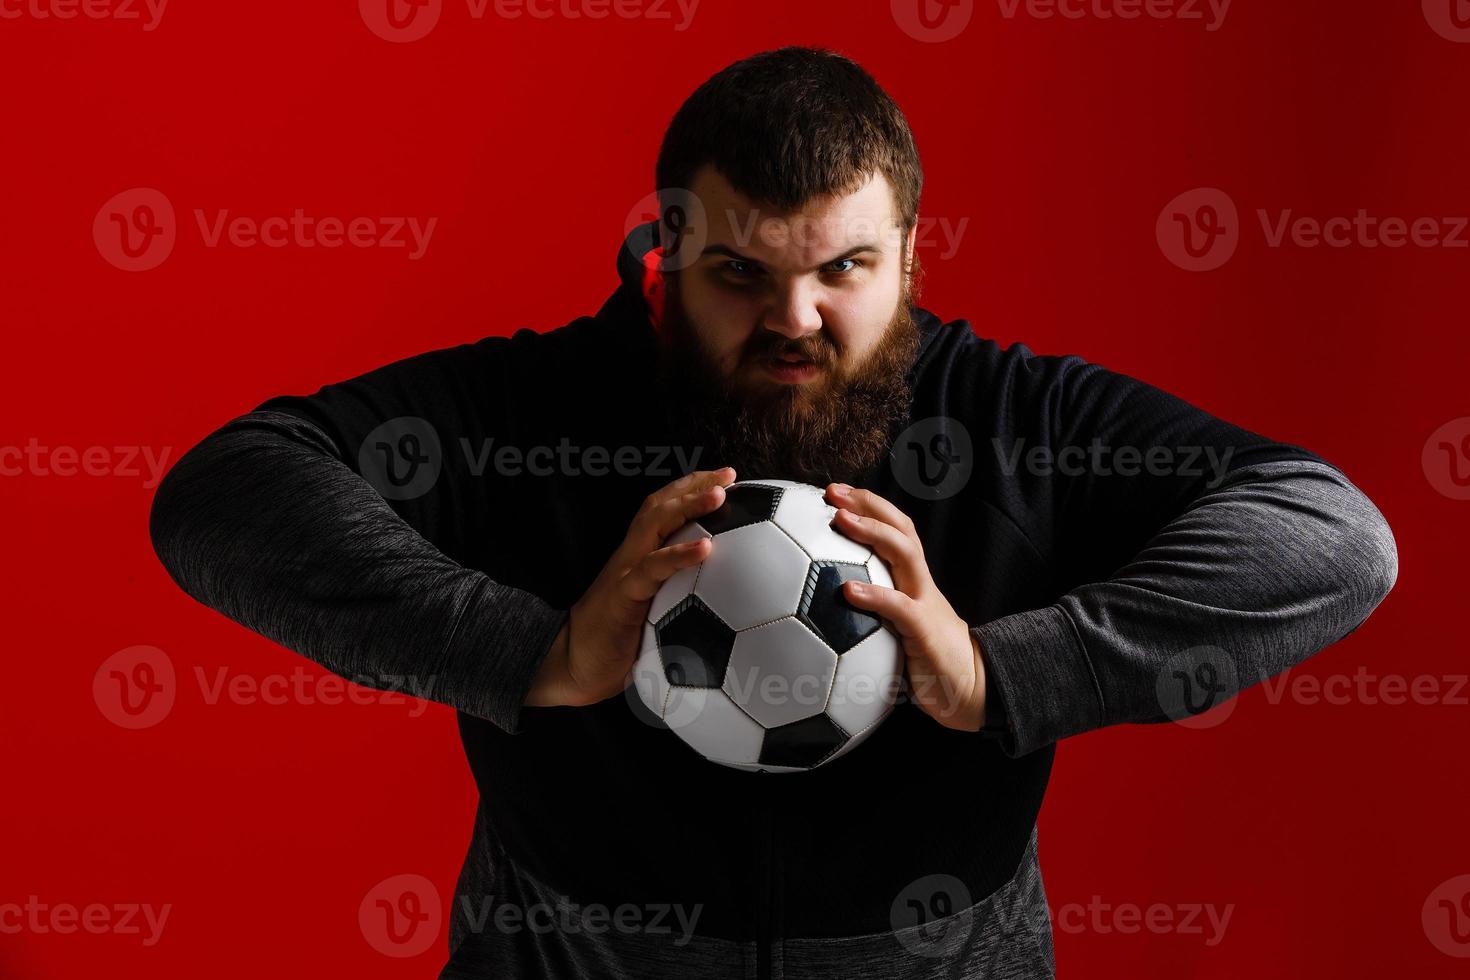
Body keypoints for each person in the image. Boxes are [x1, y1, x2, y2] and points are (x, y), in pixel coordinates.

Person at [148, 46, 1398, 979]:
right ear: (665, 252)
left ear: (910, 255)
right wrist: (530, 647)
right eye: (740, 273)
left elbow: (1333, 532)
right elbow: (226, 487)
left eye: (843, 269)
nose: (793, 319)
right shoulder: (531, 402)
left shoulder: (1015, 415)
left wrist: (1002, 669)